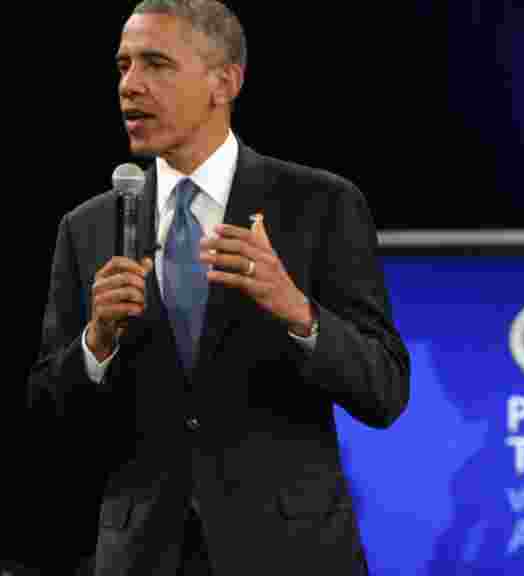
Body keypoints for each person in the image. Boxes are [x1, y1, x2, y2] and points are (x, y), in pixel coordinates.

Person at [26, 1, 410, 574]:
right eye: (123, 66)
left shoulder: (320, 204)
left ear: (224, 82)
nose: (130, 85)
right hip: (140, 558)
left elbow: (384, 391)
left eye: (155, 64)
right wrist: (95, 345)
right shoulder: (87, 228)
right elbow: (46, 419)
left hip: (288, 554)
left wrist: (296, 310)